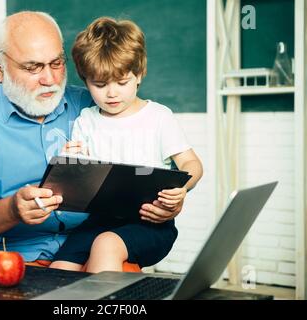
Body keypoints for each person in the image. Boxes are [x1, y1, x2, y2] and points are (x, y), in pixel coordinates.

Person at [0, 11, 187, 264]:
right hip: (18, 259)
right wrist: (11, 210)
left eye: (56, 63)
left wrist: (169, 202)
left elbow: (153, 158)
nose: (49, 79)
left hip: (96, 249)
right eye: (33, 67)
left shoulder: (95, 101)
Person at [49, 17, 203, 273]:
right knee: (59, 268)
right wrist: (71, 165)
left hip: (150, 223)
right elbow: (80, 180)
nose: (111, 93)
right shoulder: (86, 120)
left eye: (122, 83)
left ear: (139, 74)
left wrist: (182, 189)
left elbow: (192, 164)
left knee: (106, 245)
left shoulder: (158, 116)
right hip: (99, 221)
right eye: (99, 85)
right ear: (85, 80)